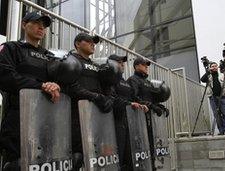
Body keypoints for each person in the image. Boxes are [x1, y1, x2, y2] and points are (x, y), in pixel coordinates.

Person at [0, 12, 60, 170]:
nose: (42, 27)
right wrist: (41, 85)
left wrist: (56, 86)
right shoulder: (11, 48)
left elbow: (62, 84)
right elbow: (5, 76)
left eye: (45, 25)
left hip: (45, 120)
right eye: (36, 22)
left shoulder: (50, 57)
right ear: (24, 24)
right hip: (17, 118)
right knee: (16, 164)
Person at [64, 33, 114, 170]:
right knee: (77, 155)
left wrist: (107, 99)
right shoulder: (70, 60)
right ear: (77, 43)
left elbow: (105, 88)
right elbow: (71, 87)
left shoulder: (96, 66)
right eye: (88, 41)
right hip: (76, 114)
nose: (93, 44)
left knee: (97, 153)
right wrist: (95, 97)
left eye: (94, 42)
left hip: (95, 114)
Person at [108, 54, 148, 170]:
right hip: (116, 121)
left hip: (128, 122)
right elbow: (112, 98)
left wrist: (141, 105)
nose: (122, 64)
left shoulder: (124, 81)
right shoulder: (110, 79)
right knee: (119, 155)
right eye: (119, 62)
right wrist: (129, 104)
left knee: (129, 156)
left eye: (123, 62)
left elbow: (132, 98)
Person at [127, 57, 168, 170]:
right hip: (138, 120)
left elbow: (152, 99)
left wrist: (160, 107)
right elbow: (134, 97)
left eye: (147, 65)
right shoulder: (133, 80)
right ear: (136, 66)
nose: (146, 67)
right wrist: (151, 106)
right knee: (142, 149)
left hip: (149, 120)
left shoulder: (148, 82)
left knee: (151, 147)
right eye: (144, 64)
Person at [201, 62, 225, 135]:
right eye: (212, 66)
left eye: (215, 66)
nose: (214, 67)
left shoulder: (222, 75)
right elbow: (202, 79)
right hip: (213, 97)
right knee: (217, 115)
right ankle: (221, 130)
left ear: (217, 67)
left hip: (223, 96)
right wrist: (208, 71)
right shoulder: (208, 76)